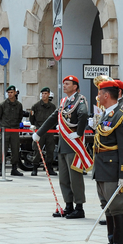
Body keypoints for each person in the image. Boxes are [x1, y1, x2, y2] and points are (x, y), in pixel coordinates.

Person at [34, 75, 91, 218]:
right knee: (63, 178)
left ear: (75, 86)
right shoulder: (63, 102)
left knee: (75, 178)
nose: (64, 86)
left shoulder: (80, 100)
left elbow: (83, 114)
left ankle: (79, 207)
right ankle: (68, 205)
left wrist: (79, 133)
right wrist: (39, 133)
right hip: (63, 145)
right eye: (64, 83)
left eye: (67, 83)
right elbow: (53, 118)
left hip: (73, 145)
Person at [90, 80, 123, 244]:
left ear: (106, 96)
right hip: (102, 167)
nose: (97, 96)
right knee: (107, 209)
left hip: (113, 170)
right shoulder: (106, 114)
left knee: (116, 209)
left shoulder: (120, 117)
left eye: (99, 93)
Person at [0, 85, 24, 176]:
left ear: (15, 93)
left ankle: (14, 168)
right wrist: (3, 125)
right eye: (8, 93)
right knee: (3, 149)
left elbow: (20, 117)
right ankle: (1, 168)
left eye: (11, 92)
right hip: (5, 130)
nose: (10, 94)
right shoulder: (2, 105)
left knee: (15, 149)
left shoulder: (19, 105)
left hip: (14, 130)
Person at [29, 87, 57, 176]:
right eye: (42, 94)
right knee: (37, 150)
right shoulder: (36, 106)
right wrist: (36, 127)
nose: (44, 95)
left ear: (49, 95)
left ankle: (49, 168)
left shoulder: (52, 107)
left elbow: (55, 118)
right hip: (39, 130)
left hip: (49, 132)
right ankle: (34, 168)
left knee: (50, 150)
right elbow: (31, 118)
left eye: (45, 94)